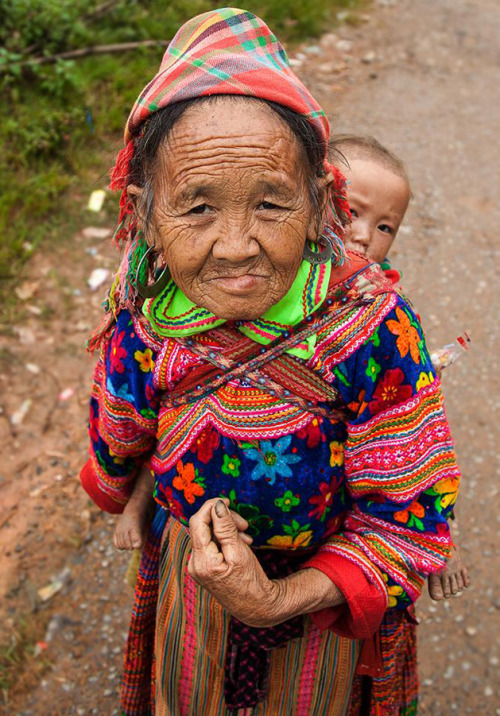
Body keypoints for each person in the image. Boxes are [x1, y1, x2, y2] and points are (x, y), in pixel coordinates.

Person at [80, 9, 462, 716]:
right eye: (195, 208)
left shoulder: (372, 330)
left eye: (271, 203)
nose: (235, 248)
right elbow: (122, 421)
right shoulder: (146, 320)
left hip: (322, 597)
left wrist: (279, 598)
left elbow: (409, 515)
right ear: (144, 214)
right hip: (191, 580)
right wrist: (116, 486)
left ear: (320, 203)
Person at [333, 133, 470, 601]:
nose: (364, 235)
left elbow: (415, 435)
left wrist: (434, 529)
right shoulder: (250, 278)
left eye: (386, 227)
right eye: (350, 211)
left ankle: (426, 537)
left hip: (347, 517)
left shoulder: (385, 314)